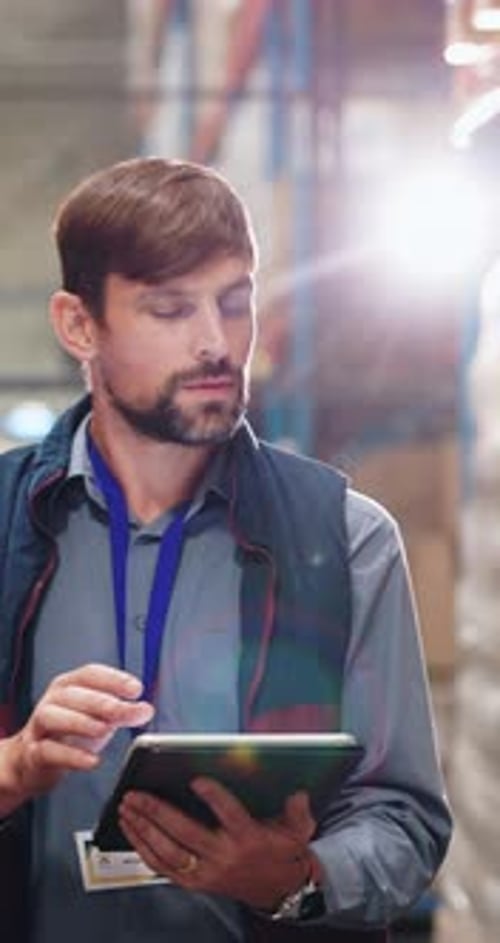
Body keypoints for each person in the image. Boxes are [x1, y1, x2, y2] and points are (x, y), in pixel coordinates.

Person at [0, 157, 451, 943]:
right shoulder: (5, 522)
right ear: (79, 324)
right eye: (170, 309)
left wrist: (295, 877)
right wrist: (14, 766)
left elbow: (403, 821)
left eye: (234, 302)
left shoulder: (345, 539)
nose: (216, 343)